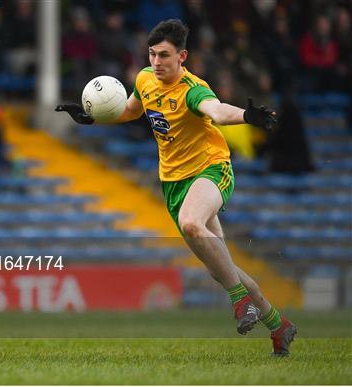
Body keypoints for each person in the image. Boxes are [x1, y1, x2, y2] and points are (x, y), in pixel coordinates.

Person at [56, 19, 297, 356]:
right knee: (222, 268)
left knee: (191, 223)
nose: (156, 62)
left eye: (164, 55)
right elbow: (129, 110)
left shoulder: (192, 89)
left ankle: (241, 302)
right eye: (152, 54)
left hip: (211, 169)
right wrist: (93, 116)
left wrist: (246, 116)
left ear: (182, 56)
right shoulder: (144, 79)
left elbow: (217, 110)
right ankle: (279, 326)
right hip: (173, 182)